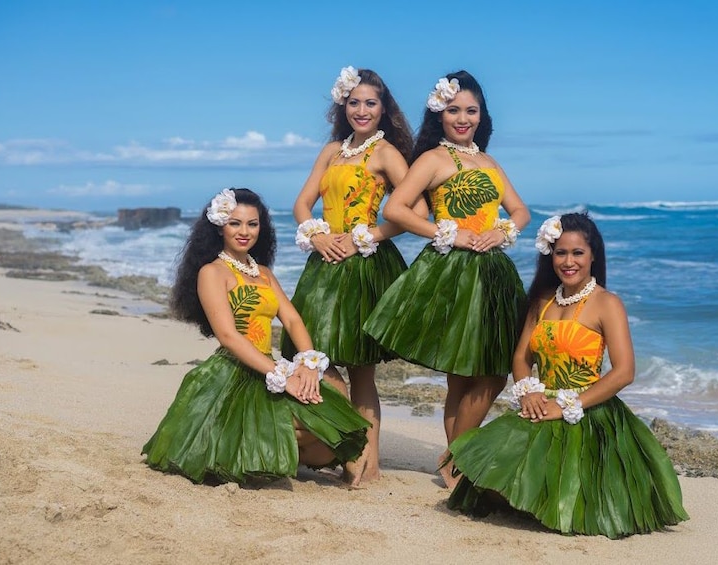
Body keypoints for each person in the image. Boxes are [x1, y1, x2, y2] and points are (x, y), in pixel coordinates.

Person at [445, 212, 689, 538]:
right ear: (551, 255)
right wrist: (529, 391)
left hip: (587, 411)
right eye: (561, 252)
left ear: (592, 256)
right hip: (539, 405)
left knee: (566, 500)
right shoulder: (543, 302)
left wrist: (568, 405)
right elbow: (521, 357)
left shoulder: (607, 304)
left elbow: (624, 372)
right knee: (482, 481)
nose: (568, 261)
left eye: (577, 253)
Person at [362, 70, 531, 488]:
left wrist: (502, 231)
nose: (463, 118)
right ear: (439, 115)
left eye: (470, 110)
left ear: (481, 115)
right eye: (453, 110)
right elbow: (398, 210)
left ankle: (455, 459)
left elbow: (522, 212)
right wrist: (449, 232)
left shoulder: (490, 162)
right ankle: (460, 466)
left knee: (491, 372)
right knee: (465, 373)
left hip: (493, 274)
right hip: (454, 272)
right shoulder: (433, 159)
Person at [142, 188, 370, 485]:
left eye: (252, 223)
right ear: (220, 226)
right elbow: (228, 336)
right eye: (235, 223)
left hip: (269, 363)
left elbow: (291, 318)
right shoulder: (212, 272)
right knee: (297, 424)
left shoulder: (263, 272)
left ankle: (273, 454)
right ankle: (248, 449)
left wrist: (307, 363)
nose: (244, 231)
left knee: (329, 440)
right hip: (234, 371)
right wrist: (282, 376)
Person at [281, 66, 420, 485]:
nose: (362, 110)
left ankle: (368, 464)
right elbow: (302, 205)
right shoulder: (330, 151)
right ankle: (340, 447)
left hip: (363, 267)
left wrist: (367, 237)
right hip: (323, 266)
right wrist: (318, 234)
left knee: (361, 370)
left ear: (383, 109)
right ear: (344, 106)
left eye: (370, 103)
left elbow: (416, 212)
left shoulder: (387, 154)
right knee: (316, 359)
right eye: (354, 102)